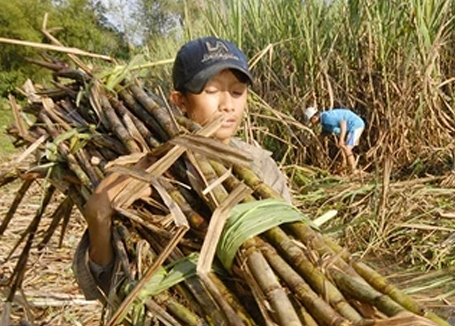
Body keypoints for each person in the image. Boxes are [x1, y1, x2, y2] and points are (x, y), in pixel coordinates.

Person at [74, 36, 292, 298]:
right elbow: (110, 288)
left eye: (237, 92)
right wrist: (99, 217)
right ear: (179, 101)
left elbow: (292, 245)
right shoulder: (147, 168)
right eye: (212, 91)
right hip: (194, 314)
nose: (227, 104)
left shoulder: (260, 165)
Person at [304, 106, 365, 174]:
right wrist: (311, 142)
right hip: (350, 128)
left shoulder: (327, 118)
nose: (311, 123)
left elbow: (343, 123)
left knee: (347, 148)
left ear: (314, 118)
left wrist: (341, 139)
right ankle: (344, 169)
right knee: (343, 149)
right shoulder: (324, 121)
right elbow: (324, 134)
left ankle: (354, 170)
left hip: (355, 125)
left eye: (310, 121)